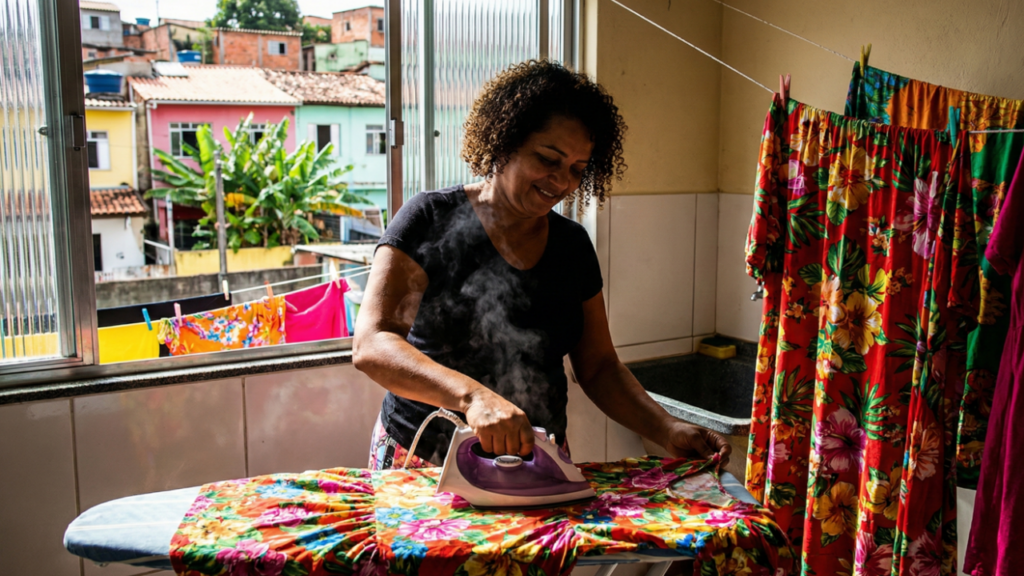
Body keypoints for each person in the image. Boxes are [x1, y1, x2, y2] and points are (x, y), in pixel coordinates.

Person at [354, 59, 731, 470]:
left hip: (538, 463)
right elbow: (374, 343)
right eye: (548, 158)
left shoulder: (572, 246)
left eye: (577, 170)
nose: (562, 181)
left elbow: (600, 367)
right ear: (504, 141)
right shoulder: (428, 219)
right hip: (423, 460)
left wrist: (666, 427)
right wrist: (473, 397)